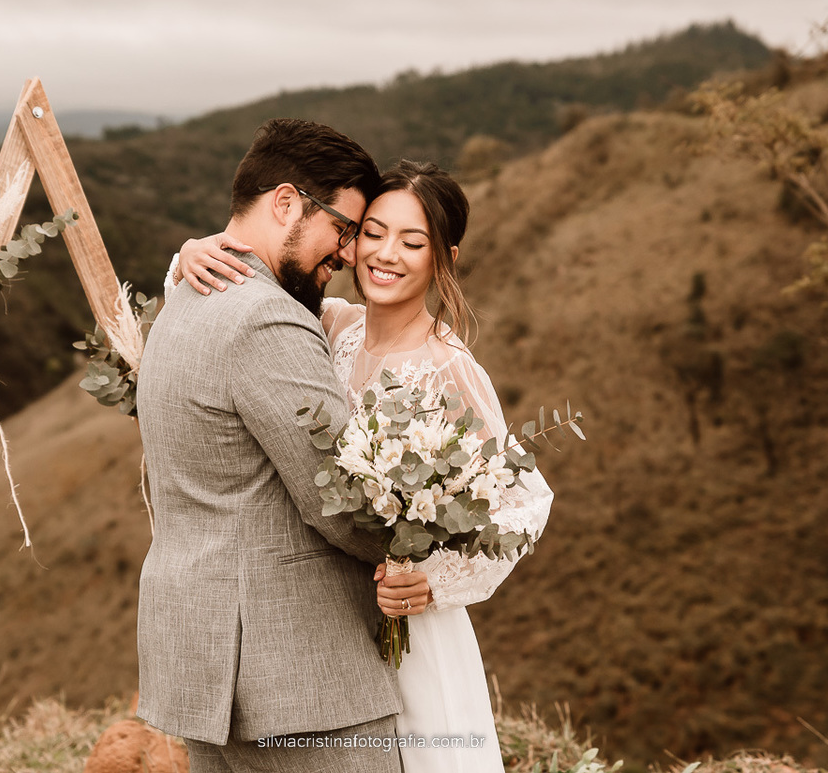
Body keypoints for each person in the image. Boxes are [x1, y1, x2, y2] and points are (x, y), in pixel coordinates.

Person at [171, 159, 555, 773]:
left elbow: (526, 500)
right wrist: (191, 252)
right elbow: (239, 312)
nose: (385, 254)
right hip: (334, 630)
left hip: (412, 631)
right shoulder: (331, 327)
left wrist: (435, 581)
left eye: (413, 241)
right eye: (372, 232)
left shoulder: (448, 369)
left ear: (444, 258)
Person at [136, 118, 428, 773]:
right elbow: (343, 501)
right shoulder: (267, 317)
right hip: (297, 681)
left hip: (208, 667)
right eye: (344, 230)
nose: (350, 254)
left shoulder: (185, 297)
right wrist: (419, 536)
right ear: (287, 202)